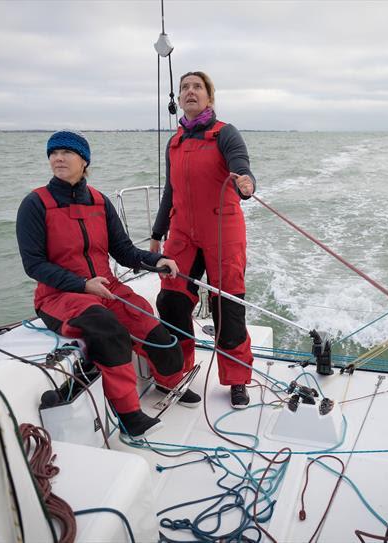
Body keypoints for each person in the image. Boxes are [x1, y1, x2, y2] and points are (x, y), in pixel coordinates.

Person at [16, 130, 201, 438]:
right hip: (59, 296)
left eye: (66, 152)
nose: (58, 158)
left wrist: (158, 261)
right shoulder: (35, 204)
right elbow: (33, 265)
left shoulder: (100, 202)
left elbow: (124, 250)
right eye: (53, 153)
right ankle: (129, 416)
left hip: (107, 287)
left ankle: (169, 382)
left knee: (148, 319)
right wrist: (82, 284)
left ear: (84, 161)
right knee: (107, 327)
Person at [149, 71, 256, 409]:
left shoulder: (225, 133)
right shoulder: (175, 142)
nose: (190, 92)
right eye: (184, 88)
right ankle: (175, 374)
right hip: (182, 233)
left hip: (222, 230)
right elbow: (170, 191)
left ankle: (237, 379)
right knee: (171, 302)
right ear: (179, 99)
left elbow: (241, 165)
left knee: (228, 306)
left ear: (209, 97)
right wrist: (156, 233)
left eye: (197, 87)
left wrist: (246, 183)